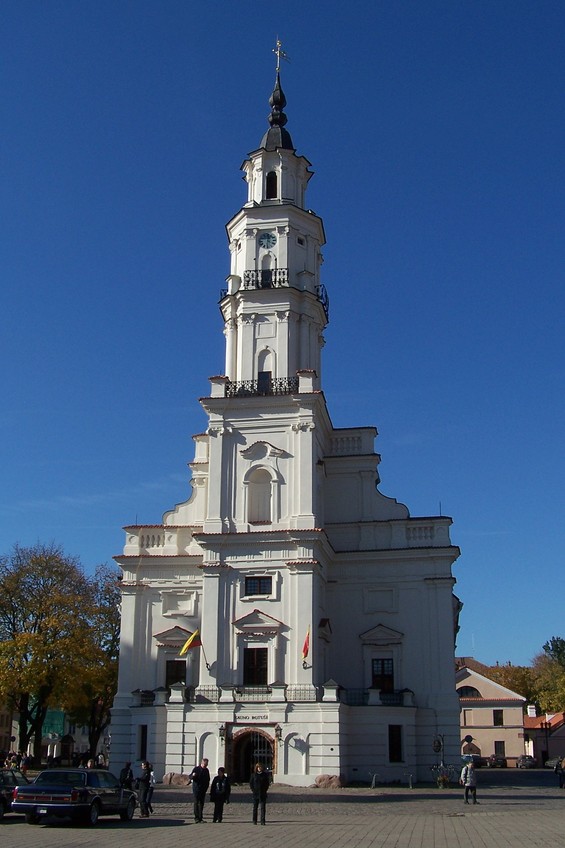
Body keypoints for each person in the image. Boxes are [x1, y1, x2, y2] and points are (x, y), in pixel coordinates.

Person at [189, 757, 210, 822]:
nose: (205, 766)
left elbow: (208, 779)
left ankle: (200, 817)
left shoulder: (206, 770)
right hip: (196, 788)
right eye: (205, 764)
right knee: (196, 802)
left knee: (201, 803)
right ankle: (196, 818)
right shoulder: (196, 769)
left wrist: (206, 788)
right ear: (202, 763)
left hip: (203, 789)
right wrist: (193, 775)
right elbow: (190, 777)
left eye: (206, 765)